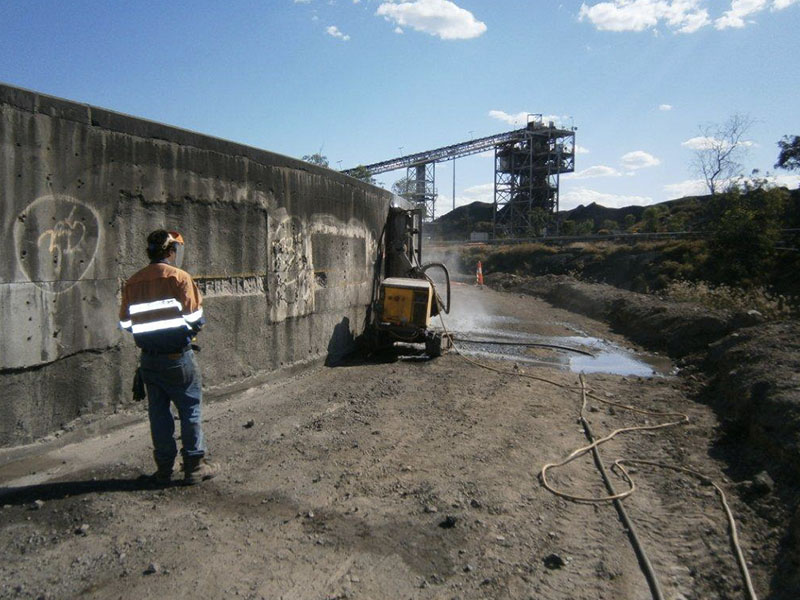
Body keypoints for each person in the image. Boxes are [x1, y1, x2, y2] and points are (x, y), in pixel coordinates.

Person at [119, 229, 220, 485]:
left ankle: (164, 469)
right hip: (177, 358)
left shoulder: (133, 282)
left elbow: (126, 324)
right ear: (171, 252)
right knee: (190, 409)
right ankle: (195, 466)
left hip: (149, 360)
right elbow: (195, 319)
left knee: (158, 414)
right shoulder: (179, 278)